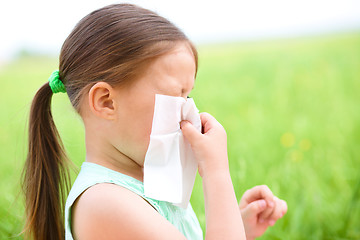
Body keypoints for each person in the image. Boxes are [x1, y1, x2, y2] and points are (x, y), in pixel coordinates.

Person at [22, 4, 287, 240]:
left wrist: (237, 226)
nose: (189, 113)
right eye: (174, 97)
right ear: (106, 102)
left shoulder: (148, 184)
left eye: (188, 95)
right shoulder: (105, 203)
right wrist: (217, 173)